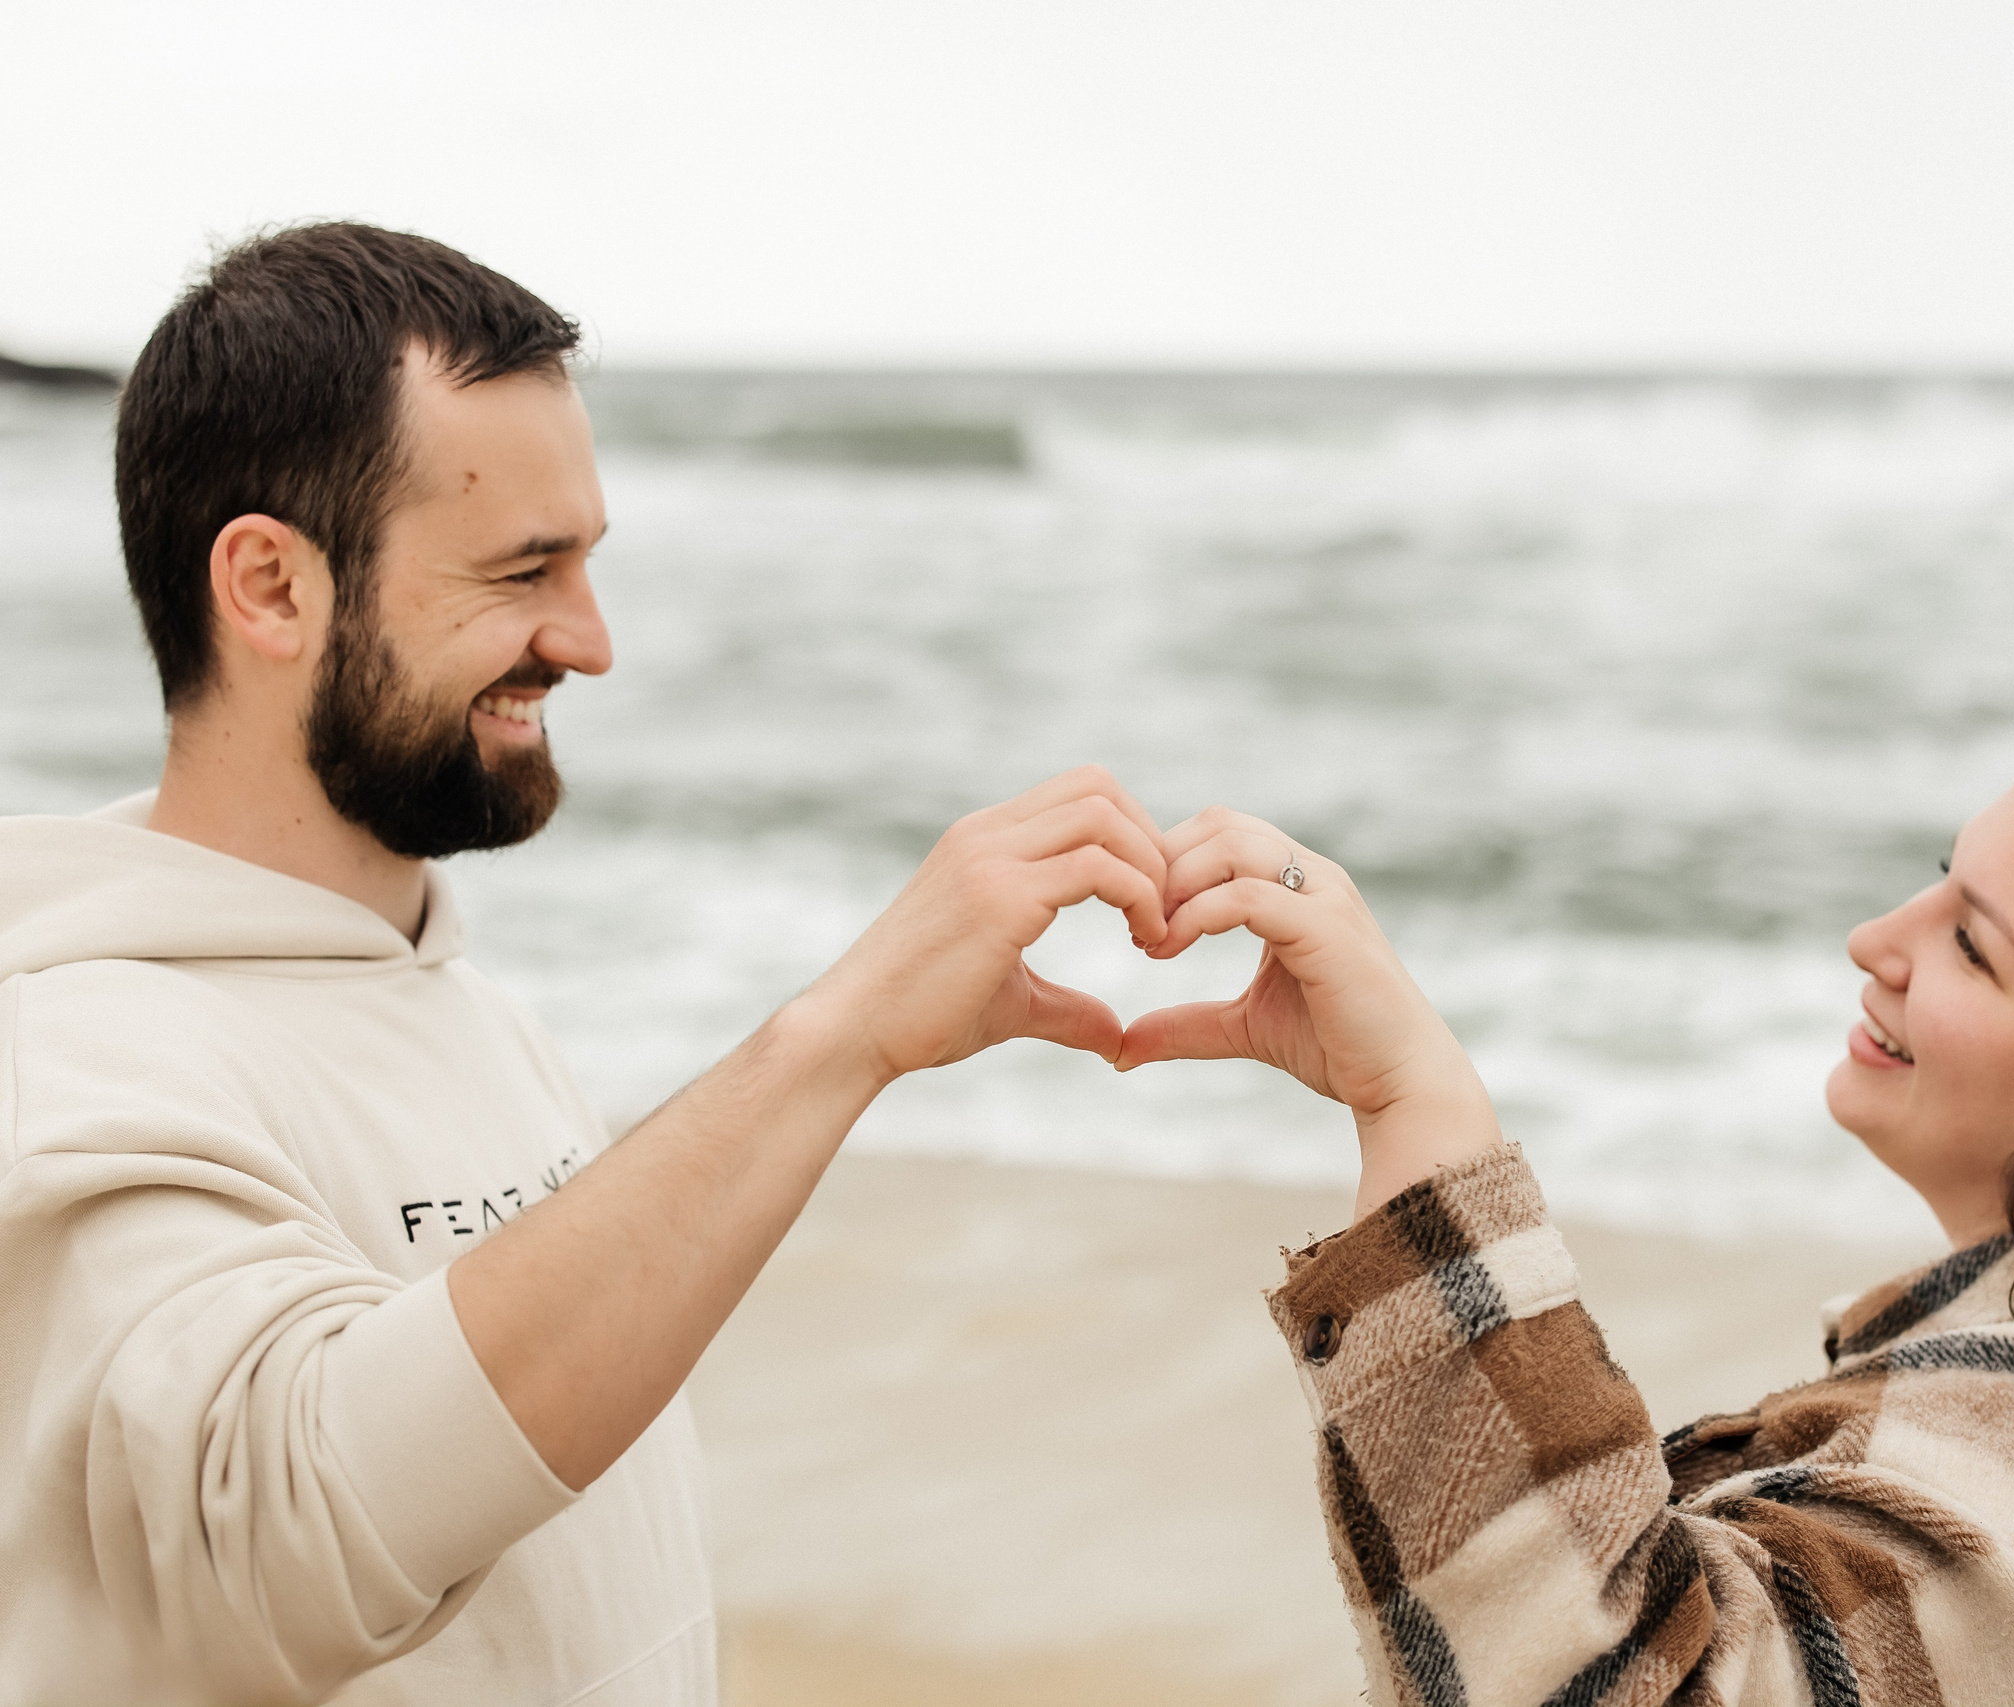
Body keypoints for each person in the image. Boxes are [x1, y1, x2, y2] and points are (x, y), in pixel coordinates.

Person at [0, 223, 1174, 1704]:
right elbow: (283, 1531)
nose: (591, 641)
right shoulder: (83, 1054)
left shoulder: (464, 1007)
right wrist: (844, 1037)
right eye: (523, 569)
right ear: (272, 589)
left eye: (587, 561)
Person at [1114, 690, 2014, 1705]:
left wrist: (1416, 1111)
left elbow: (1603, 1685)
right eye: (1935, 887)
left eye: (1972, 946)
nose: (1876, 940)